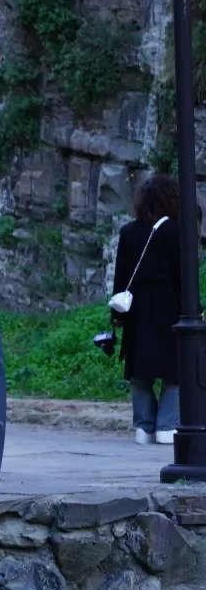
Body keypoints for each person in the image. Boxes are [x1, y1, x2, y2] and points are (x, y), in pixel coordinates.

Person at [114, 174, 183, 445]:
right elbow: (181, 277)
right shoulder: (174, 231)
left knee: (138, 369)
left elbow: (121, 278)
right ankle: (167, 425)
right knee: (173, 369)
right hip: (169, 306)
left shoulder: (128, 233)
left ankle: (143, 426)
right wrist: (195, 310)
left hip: (138, 308)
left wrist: (117, 314)